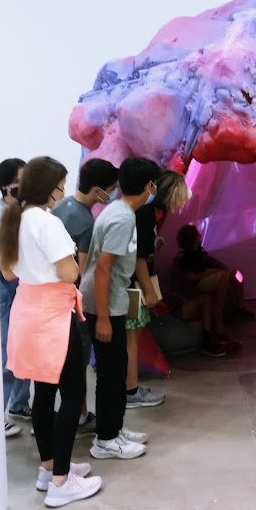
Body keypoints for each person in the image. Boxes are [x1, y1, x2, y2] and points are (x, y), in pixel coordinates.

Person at [0, 156, 101, 507]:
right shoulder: (47, 222)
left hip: (28, 312)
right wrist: (71, 259)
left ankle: (49, 469)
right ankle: (61, 482)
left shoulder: (15, 219)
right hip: (54, 316)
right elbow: (70, 273)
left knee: (42, 394)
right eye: (61, 184)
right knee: (73, 393)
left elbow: (9, 274)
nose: (64, 190)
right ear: (51, 187)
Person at [80, 157, 159, 459]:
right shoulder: (122, 218)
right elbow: (102, 270)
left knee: (116, 369)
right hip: (105, 306)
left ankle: (114, 428)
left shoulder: (120, 211)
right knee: (111, 374)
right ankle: (106, 439)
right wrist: (102, 317)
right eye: (155, 185)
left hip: (111, 302)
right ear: (149, 186)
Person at [52, 158, 119, 435]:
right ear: (97, 191)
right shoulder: (85, 222)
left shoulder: (60, 207)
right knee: (77, 359)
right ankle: (77, 414)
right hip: (71, 301)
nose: (113, 194)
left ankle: (70, 410)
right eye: (111, 189)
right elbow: (81, 270)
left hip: (51, 299)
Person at [125, 169, 189, 408]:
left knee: (134, 335)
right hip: (133, 285)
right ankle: (131, 390)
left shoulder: (148, 211)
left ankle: (131, 387)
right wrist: (148, 291)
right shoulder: (145, 211)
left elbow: (141, 246)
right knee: (132, 337)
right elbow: (137, 257)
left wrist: (154, 242)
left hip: (134, 282)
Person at [0, 157, 30, 436]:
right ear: (5, 186)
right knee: (6, 351)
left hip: (22, 288)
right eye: (18, 183)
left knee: (24, 348)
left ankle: (19, 404)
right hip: (5, 288)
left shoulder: (25, 212)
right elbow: (4, 266)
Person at [176, 224, 254, 322]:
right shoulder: (185, 258)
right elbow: (191, 278)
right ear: (193, 239)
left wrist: (215, 270)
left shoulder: (200, 252)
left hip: (211, 276)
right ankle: (219, 310)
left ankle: (240, 308)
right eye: (198, 235)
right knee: (224, 276)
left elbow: (209, 264)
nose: (200, 236)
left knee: (236, 274)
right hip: (200, 282)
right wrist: (211, 272)